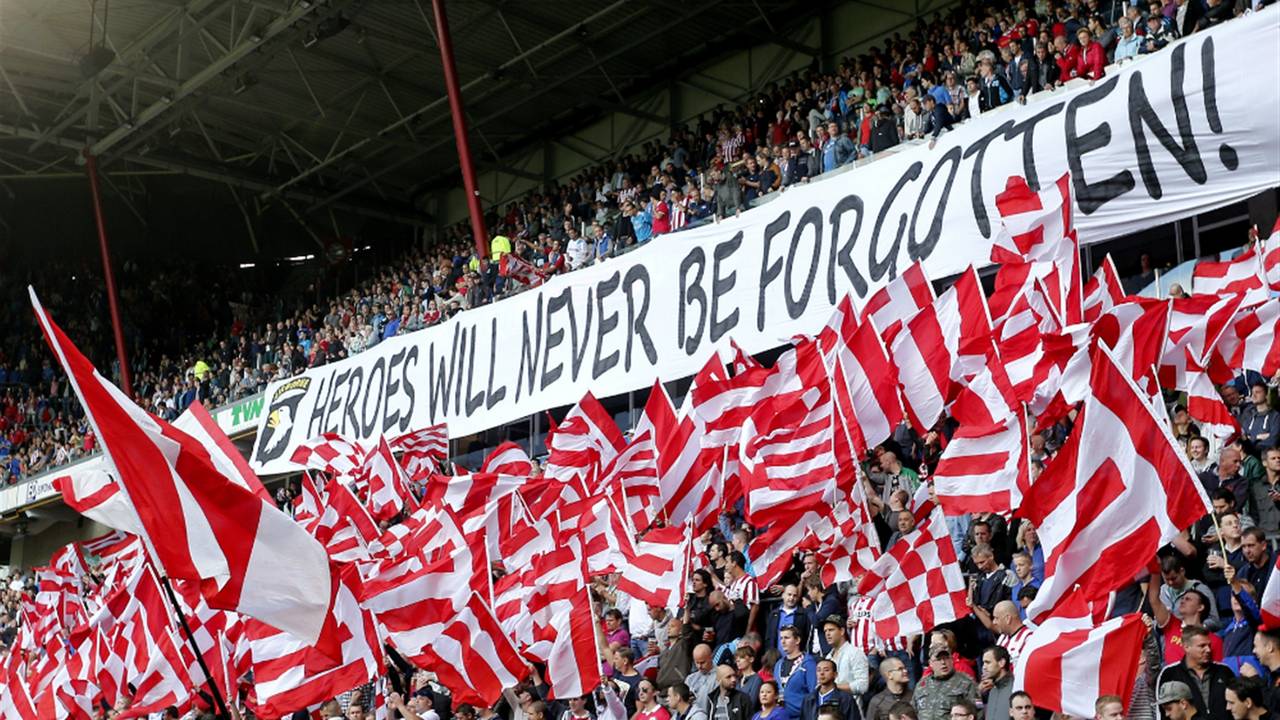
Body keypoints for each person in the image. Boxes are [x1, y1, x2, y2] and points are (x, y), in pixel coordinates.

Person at [1155, 625, 1234, 720]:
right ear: (1186, 647)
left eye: (1209, 645)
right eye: (1202, 646)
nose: (1208, 650)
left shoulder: (1224, 671)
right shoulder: (1169, 673)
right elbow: (1163, 712)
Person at [914, 645, 979, 720]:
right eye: (938, 659)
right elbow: (913, 711)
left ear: (952, 660)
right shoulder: (922, 684)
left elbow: (977, 712)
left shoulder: (966, 682)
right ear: (930, 663)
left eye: (946, 658)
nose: (943, 662)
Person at [775, 626, 818, 720]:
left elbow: (814, 693)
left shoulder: (808, 663)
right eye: (781, 638)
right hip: (781, 716)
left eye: (786, 638)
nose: (782, 642)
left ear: (797, 640)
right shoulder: (778, 664)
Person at [821, 615, 868, 697]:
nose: (827, 634)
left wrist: (833, 687)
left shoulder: (855, 653)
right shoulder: (828, 657)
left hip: (850, 706)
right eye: (825, 631)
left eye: (831, 630)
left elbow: (862, 686)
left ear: (842, 631)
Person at [766, 586, 810, 653]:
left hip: (797, 658)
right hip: (775, 658)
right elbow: (768, 637)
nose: (791, 598)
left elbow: (807, 636)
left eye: (795, 596)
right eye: (789, 594)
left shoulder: (804, 614)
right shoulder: (773, 614)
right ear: (783, 595)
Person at [1241, 383, 1279, 451]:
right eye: (1252, 393)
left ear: (1266, 395)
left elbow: (1273, 440)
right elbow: (1243, 438)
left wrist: (1250, 440)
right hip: (1250, 456)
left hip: (1267, 456)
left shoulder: (1275, 416)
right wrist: (1257, 437)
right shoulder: (1248, 415)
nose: (1253, 395)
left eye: (1257, 392)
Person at [980, 647, 1014, 720]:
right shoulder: (991, 690)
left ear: (1001, 663)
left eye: (988, 662)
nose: (984, 667)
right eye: (983, 663)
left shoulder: (1015, 688)